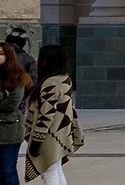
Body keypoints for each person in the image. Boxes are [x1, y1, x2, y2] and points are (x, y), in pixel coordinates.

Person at [23, 44, 81, 185]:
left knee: (50, 172)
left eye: (40, 57)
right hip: (60, 133)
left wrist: (36, 141)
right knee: (55, 169)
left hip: (50, 135)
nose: (37, 60)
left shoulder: (51, 83)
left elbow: (46, 115)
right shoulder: (64, 79)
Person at [1, 43, 31, 185]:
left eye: (1, 53)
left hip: (10, 130)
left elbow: (12, 104)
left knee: (8, 169)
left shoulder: (17, 76)